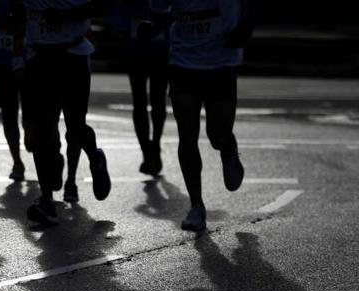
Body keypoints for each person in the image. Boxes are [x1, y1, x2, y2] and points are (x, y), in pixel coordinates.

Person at [147, 0, 254, 231]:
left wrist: (246, 25)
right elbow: (161, 12)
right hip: (183, 61)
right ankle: (197, 206)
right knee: (187, 135)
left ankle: (228, 149)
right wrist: (153, 27)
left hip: (222, 59)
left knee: (218, 133)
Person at [17, 0, 112, 225]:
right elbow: (18, 13)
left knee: (75, 126)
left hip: (72, 54)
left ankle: (95, 157)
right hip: (38, 56)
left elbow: (103, 7)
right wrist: (16, 58)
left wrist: (66, 14)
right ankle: (47, 201)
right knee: (41, 131)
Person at [113, 0, 169, 176]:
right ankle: (149, 150)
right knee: (147, 102)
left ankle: (152, 148)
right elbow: (119, 12)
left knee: (150, 102)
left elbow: (119, 13)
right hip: (142, 48)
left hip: (154, 48)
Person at [0, 0, 26, 181]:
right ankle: (17, 162)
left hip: (30, 61)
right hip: (3, 63)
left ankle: (32, 139)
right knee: (9, 115)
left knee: (31, 118)